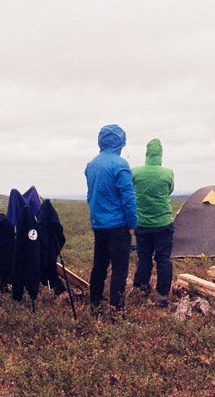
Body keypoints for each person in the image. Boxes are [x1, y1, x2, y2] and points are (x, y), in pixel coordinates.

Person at [84, 124, 138, 313]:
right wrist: (132, 224)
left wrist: (96, 218)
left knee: (99, 266)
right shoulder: (120, 164)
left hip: (99, 225)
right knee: (119, 270)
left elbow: (90, 196)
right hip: (118, 226)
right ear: (120, 143)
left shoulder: (91, 165)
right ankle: (117, 312)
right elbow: (128, 198)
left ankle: (95, 307)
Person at [131, 138, 175, 308]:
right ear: (160, 154)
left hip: (141, 223)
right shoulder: (168, 172)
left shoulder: (135, 172)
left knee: (144, 257)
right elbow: (169, 190)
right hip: (163, 223)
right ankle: (163, 296)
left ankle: (142, 290)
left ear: (147, 153)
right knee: (163, 259)